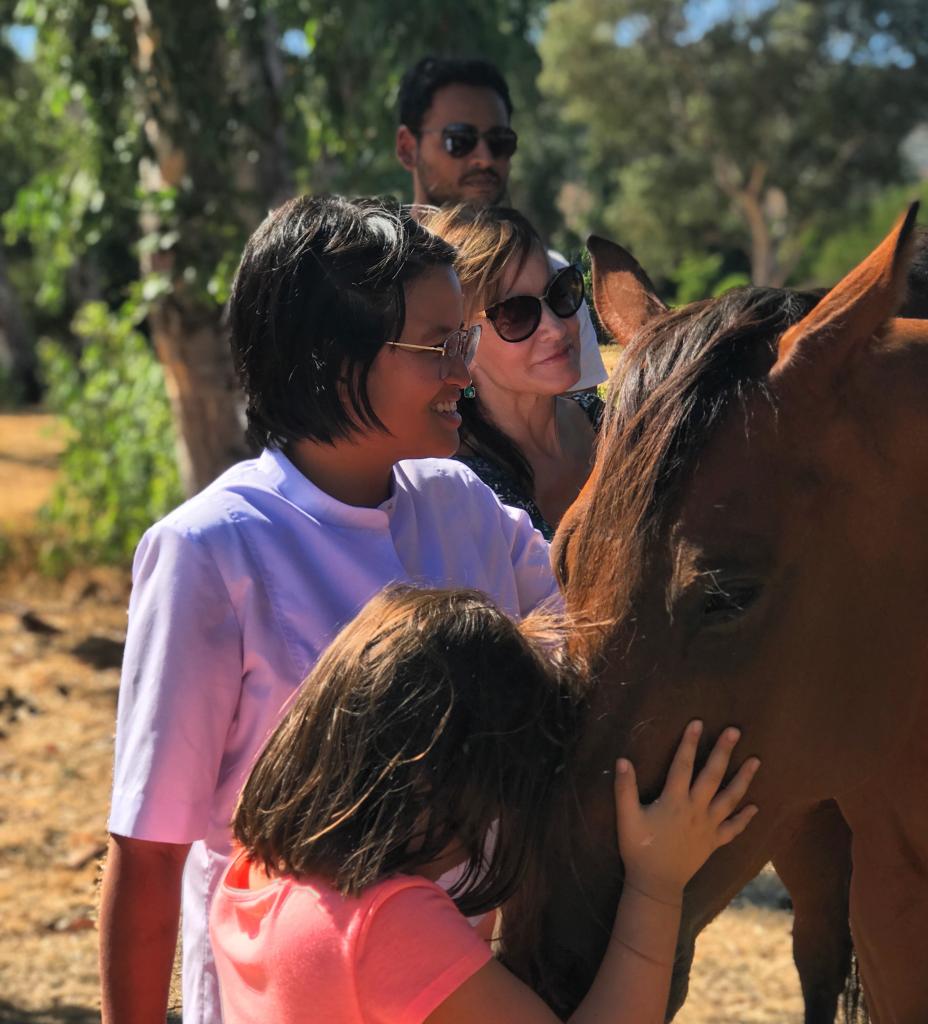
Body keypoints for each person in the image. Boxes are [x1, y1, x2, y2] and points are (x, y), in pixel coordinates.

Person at [98, 195, 561, 1024]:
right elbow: (148, 849)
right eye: (437, 346)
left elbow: (585, 622)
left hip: (460, 989)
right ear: (328, 358)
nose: (465, 368)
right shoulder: (212, 551)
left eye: (467, 339)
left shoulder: (462, 504)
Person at [210, 585, 761, 1024]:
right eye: (499, 802)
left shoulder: (251, 877)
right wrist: (657, 883)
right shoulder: (386, 925)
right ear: (439, 782)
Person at [395, 55, 607, 394]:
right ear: (408, 148)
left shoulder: (552, 280)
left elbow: (583, 413)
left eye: (500, 142)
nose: (484, 158)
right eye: (459, 140)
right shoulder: (379, 288)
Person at [422, 203, 598, 539]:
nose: (556, 328)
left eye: (560, 293)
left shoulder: (613, 427)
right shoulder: (462, 489)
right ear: (461, 341)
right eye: (515, 314)